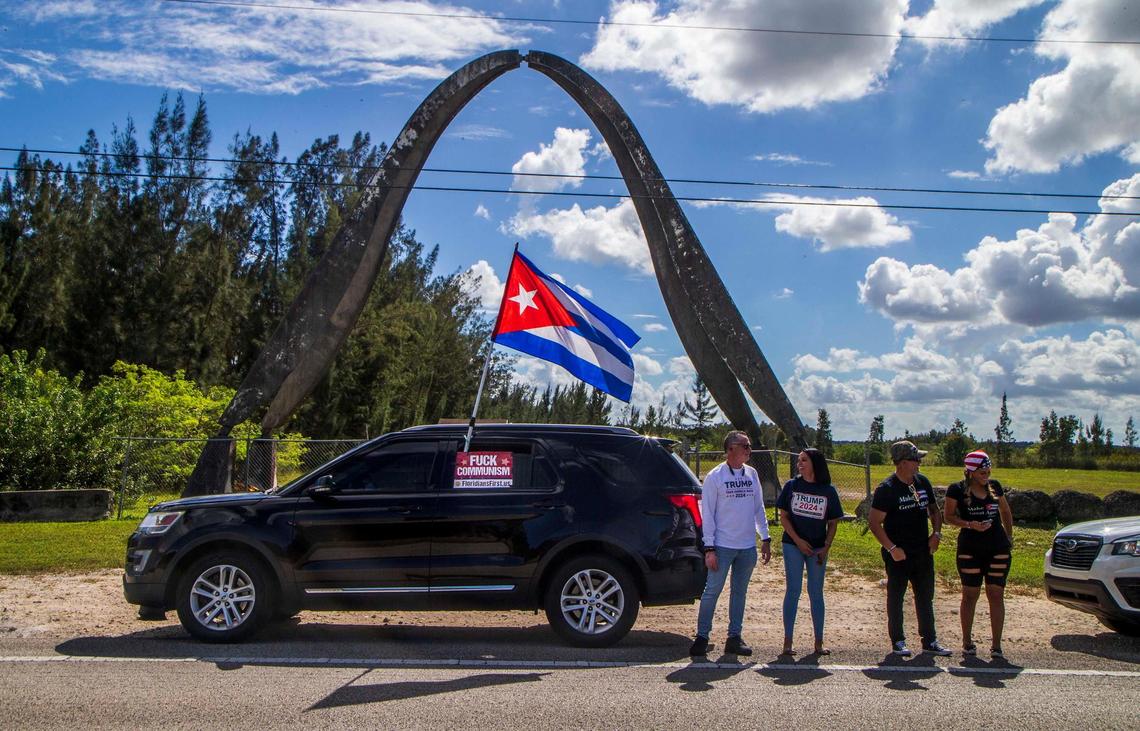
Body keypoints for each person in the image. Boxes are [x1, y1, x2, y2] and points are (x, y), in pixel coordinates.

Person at [690, 430, 772, 657]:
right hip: (722, 545)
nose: (749, 449)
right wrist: (709, 548)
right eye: (744, 445)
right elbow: (708, 514)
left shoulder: (752, 474)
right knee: (712, 591)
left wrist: (765, 537)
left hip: (747, 546)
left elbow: (758, 507)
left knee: (739, 592)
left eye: (749, 445)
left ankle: (734, 636)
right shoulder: (715, 477)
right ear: (730, 449)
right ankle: (702, 636)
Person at [867, 440, 952, 657]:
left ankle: (930, 640)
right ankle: (898, 640)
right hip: (897, 554)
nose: (919, 464)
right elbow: (874, 523)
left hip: (922, 550)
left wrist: (936, 534)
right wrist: (892, 548)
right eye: (916, 460)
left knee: (925, 595)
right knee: (896, 596)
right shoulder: (887, 489)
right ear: (903, 462)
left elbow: (934, 511)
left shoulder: (922, 482)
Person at [943, 450, 1013, 658]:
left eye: (988, 470)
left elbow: (1006, 512)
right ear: (971, 471)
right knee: (970, 594)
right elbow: (948, 516)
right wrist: (969, 524)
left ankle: (997, 645)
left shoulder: (995, 487)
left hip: (998, 548)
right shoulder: (956, 489)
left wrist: (1009, 537)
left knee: (996, 593)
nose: (986, 474)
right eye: (982, 470)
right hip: (970, 548)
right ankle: (967, 642)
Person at [777, 448, 844, 656]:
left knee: (816, 593)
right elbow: (784, 516)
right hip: (793, 545)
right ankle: (788, 641)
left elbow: (833, 522)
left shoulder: (828, 491)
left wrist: (826, 546)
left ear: (815, 463)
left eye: (804, 460)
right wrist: (798, 541)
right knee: (793, 590)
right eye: (799, 460)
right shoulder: (792, 486)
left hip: (818, 548)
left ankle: (818, 642)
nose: (800, 464)